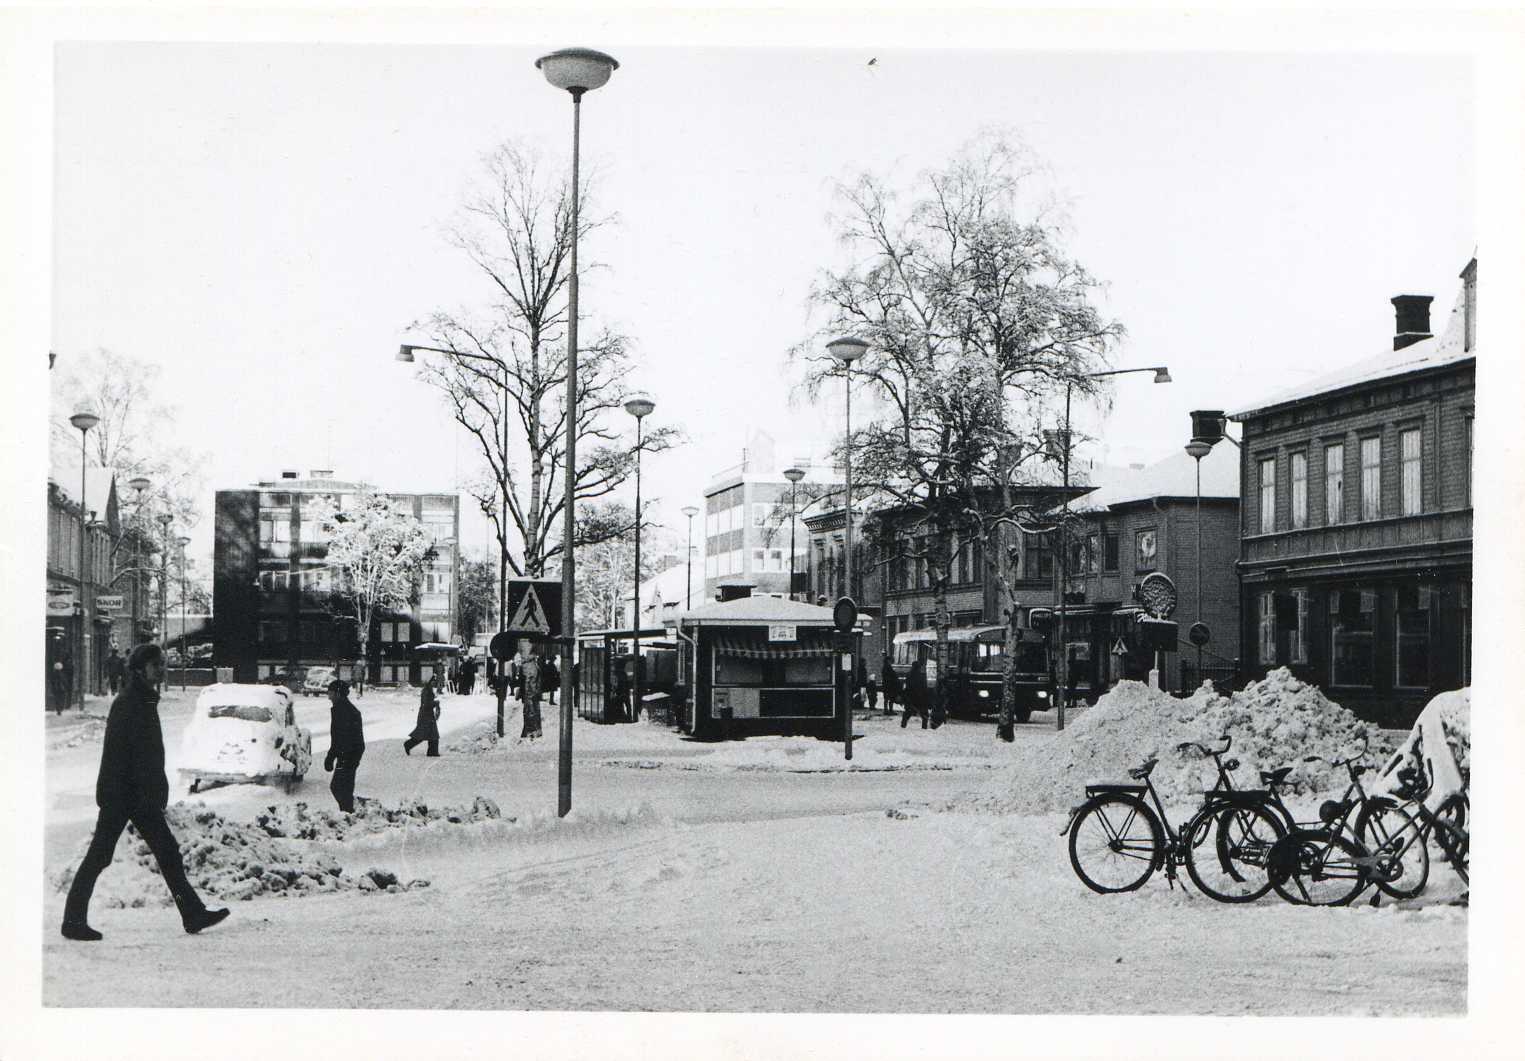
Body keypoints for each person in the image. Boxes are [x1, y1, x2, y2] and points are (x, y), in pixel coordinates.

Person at [61, 643, 229, 941]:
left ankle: (192, 913)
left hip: (137, 796)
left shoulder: (143, 700)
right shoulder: (129, 702)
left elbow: (149, 755)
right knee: (101, 856)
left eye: (162, 663)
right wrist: (130, 793)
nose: (161, 669)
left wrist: (154, 788)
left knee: (168, 852)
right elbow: (120, 754)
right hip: (124, 795)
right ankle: (73, 921)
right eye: (156, 665)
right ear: (140, 670)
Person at [322, 679, 365, 813]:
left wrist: (331, 757)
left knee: (338, 787)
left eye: (330, 693)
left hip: (349, 753)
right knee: (343, 787)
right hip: (351, 752)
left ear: (338, 694)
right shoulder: (343, 708)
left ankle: (351, 811)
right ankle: (348, 811)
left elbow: (340, 737)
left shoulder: (343, 710)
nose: (328, 696)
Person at [403, 675, 441, 756]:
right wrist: (435, 703)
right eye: (434, 682)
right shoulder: (426, 691)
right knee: (424, 734)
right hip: (425, 715)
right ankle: (408, 745)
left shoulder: (428, 689)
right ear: (430, 682)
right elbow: (426, 704)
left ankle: (432, 752)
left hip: (427, 715)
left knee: (431, 734)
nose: (435, 684)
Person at [901, 659, 930, 730]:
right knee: (924, 713)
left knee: (908, 712)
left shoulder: (909, 675)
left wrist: (905, 695)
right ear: (919, 667)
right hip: (920, 697)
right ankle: (924, 726)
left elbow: (906, 686)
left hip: (911, 696)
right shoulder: (922, 676)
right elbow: (924, 687)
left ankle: (903, 725)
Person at [519, 654, 543, 739]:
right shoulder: (535, 666)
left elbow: (528, 682)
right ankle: (535, 730)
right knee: (534, 712)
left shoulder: (529, 667)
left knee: (529, 712)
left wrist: (527, 693)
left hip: (530, 694)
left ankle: (530, 732)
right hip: (534, 694)